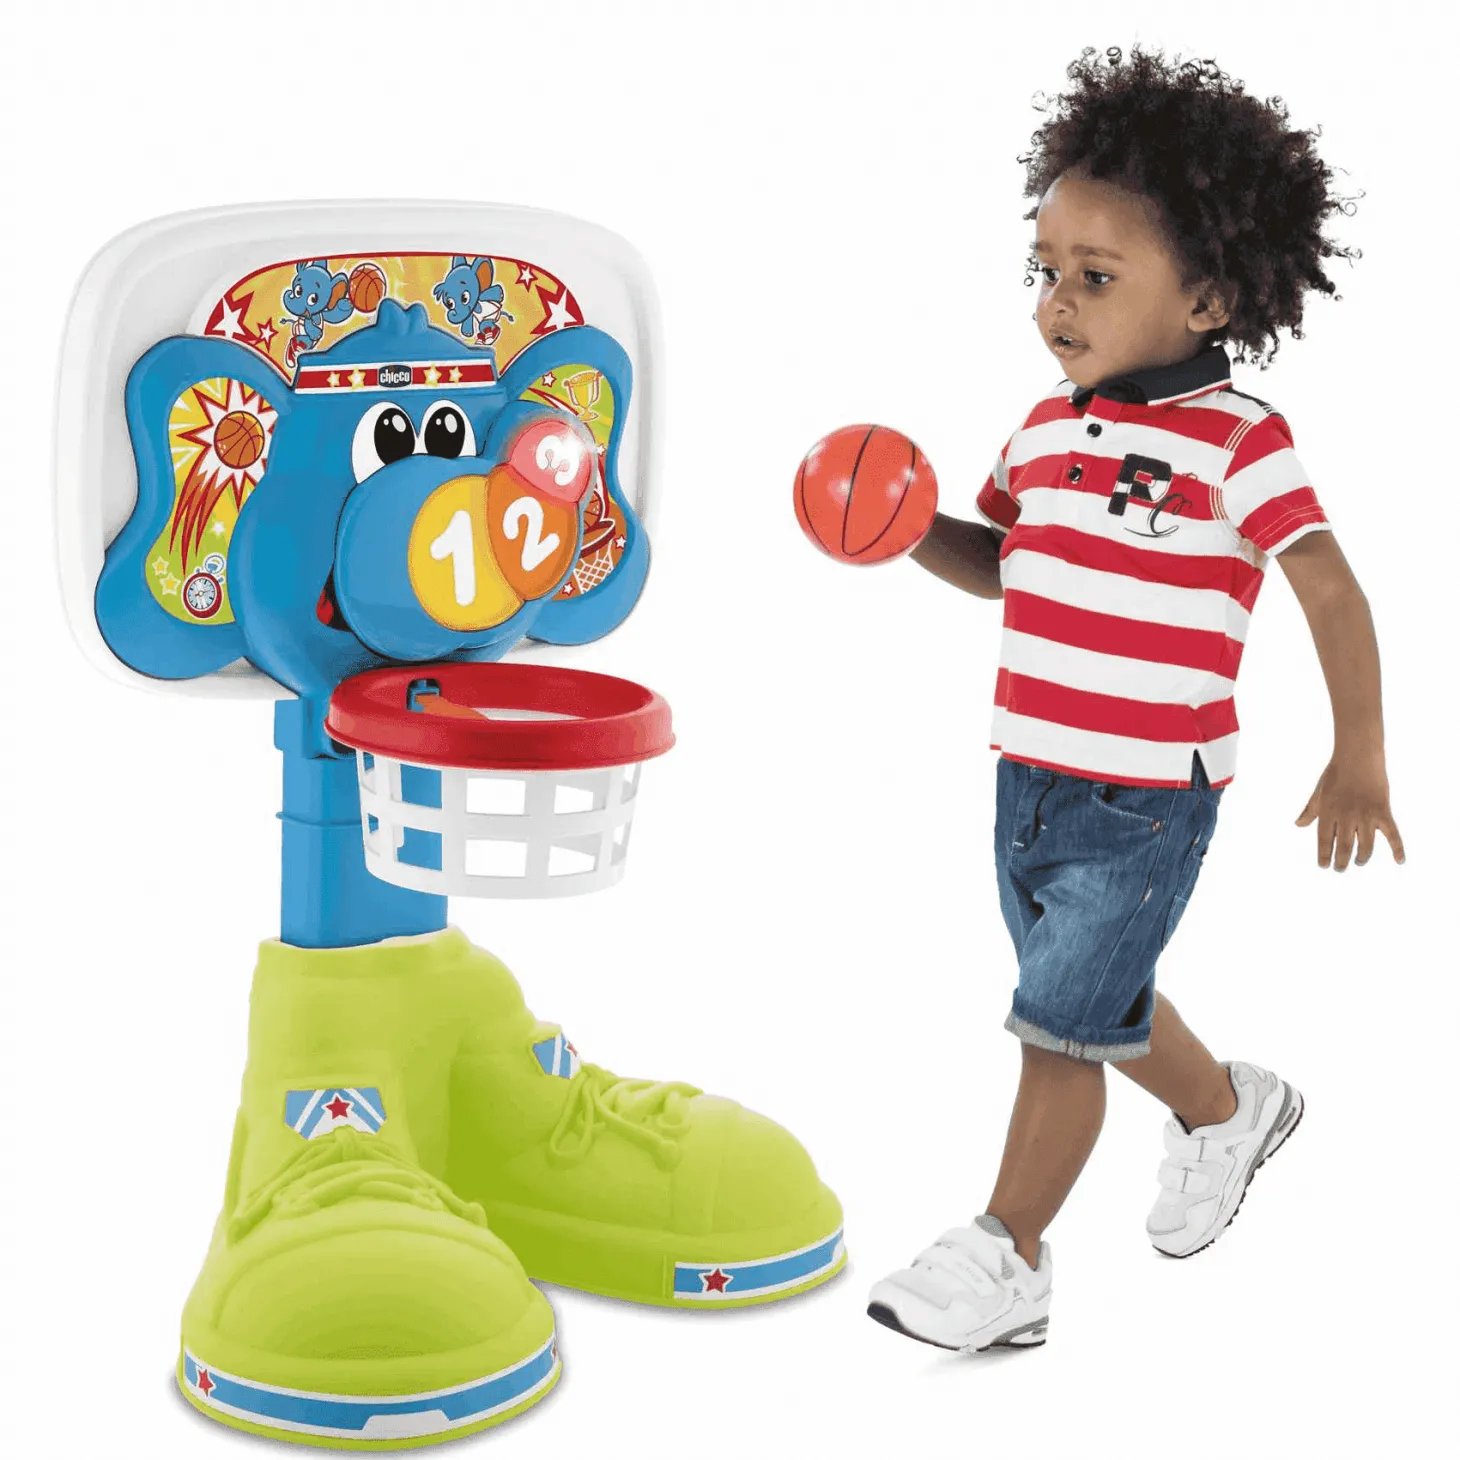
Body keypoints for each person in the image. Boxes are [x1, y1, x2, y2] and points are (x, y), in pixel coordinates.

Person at [866, 45, 1405, 1353]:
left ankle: (1007, 1254)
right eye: (1046, 269)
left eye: (1096, 277)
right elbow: (1003, 564)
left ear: (1208, 297)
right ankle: (1228, 1110)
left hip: (1149, 789)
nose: (1057, 301)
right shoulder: (1045, 429)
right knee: (1091, 999)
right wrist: (901, 524)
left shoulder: (1238, 439)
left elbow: (1329, 587)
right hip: (1027, 773)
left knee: (1056, 1029)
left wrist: (1360, 757)